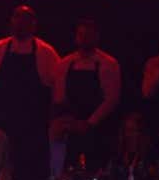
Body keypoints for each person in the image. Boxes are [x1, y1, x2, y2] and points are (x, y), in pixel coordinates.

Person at [0, 5, 59, 180]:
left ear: (34, 24)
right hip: (1, 129)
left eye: (25, 19)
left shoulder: (46, 53)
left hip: (33, 131)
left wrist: (53, 123)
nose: (20, 23)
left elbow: (58, 92)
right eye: (17, 18)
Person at [52, 19, 121, 171]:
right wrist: (66, 122)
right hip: (71, 128)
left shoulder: (108, 63)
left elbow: (112, 99)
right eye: (81, 34)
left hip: (99, 130)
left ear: (96, 37)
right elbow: (59, 97)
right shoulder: (65, 63)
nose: (84, 38)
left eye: (89, 35)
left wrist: (90, 123)